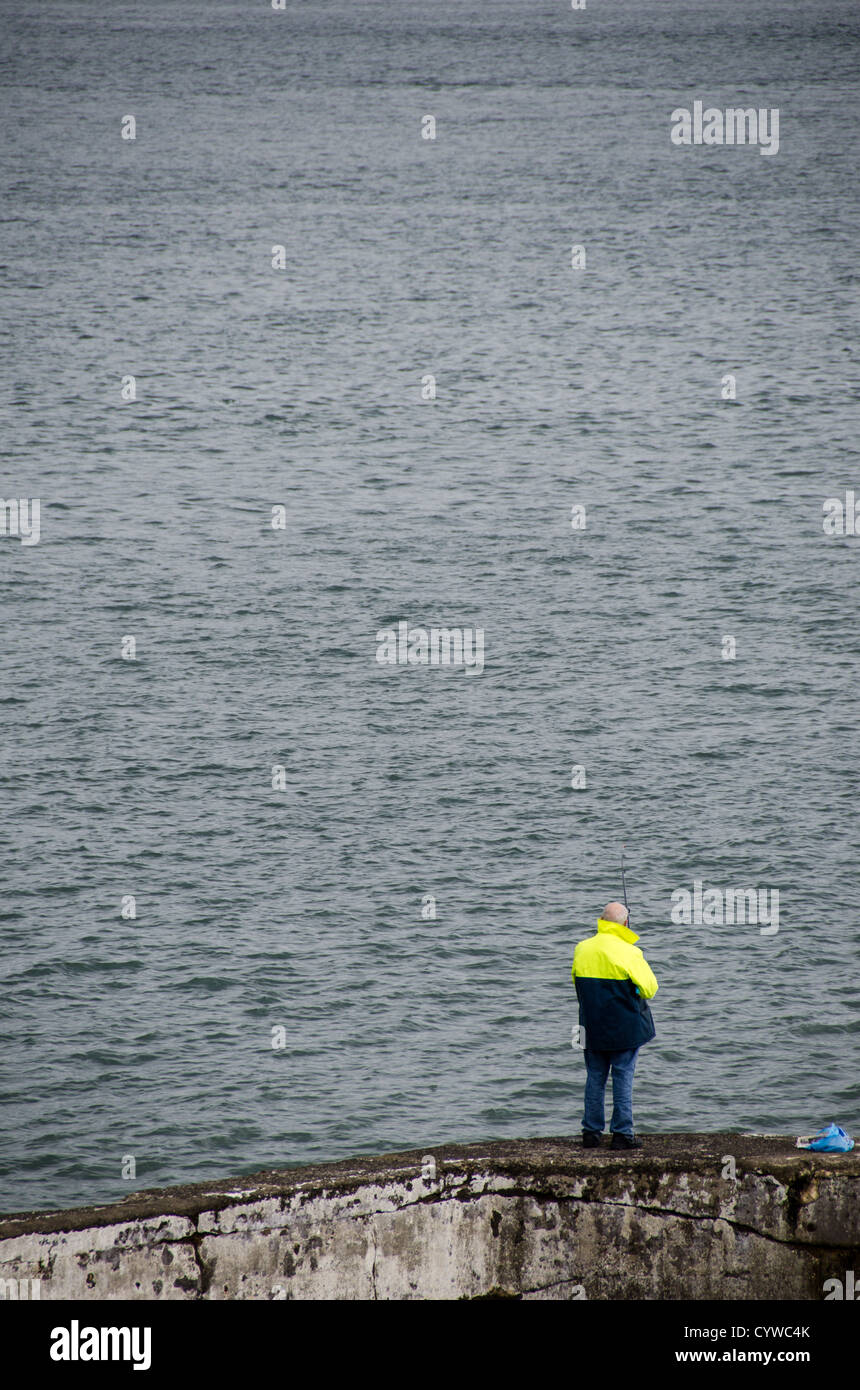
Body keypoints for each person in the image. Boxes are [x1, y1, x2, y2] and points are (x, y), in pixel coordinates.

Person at [571, 900, 658, 1149]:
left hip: (589, 1026)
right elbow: (650, 989)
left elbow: (575, 980)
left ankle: (591, 1132)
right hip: (624, 1028)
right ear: (625, 923)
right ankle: (622, 1134)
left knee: (594, 1076)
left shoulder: (582, 948)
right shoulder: (629, 952)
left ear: (601, 920)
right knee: (622, 1076)